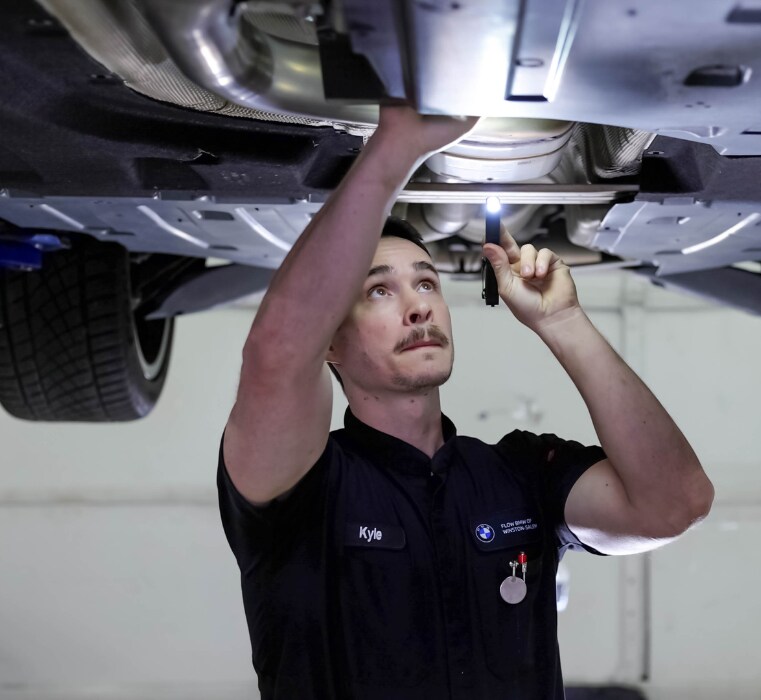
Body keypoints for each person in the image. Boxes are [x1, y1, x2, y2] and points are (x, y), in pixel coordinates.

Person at [217, 104, 715, 699]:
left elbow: (673, 504)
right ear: (330, 340)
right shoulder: (301, 489)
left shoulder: (521, 474)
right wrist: (396, 147)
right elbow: (276, 354)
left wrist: (564, 321)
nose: (420, 305)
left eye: (426, 282)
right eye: (379, 290)